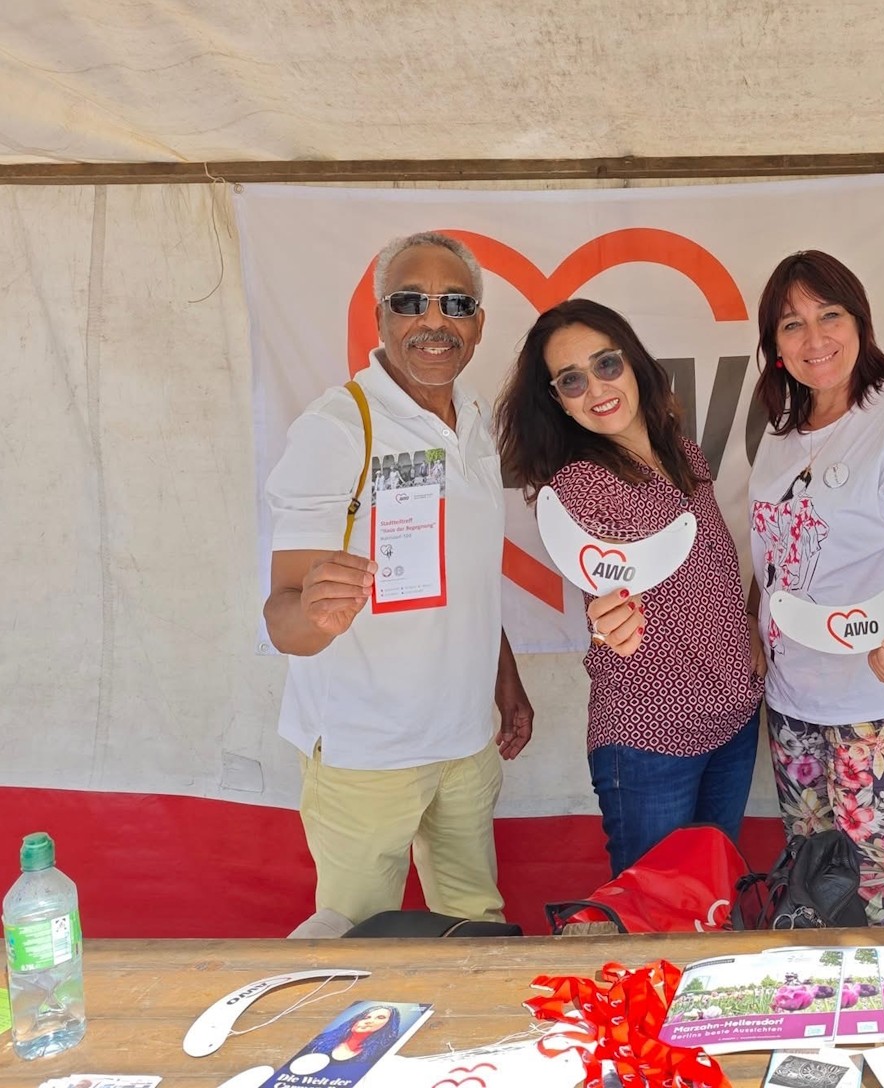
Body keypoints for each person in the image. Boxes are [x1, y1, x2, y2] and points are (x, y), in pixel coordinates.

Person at [263, 231, 533, 926]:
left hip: (465, 740)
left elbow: (471, 573)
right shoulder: (336, 429)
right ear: (380, 317)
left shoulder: (476, 416)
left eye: (456, 304)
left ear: (479, 323)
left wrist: (503, 678)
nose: (434, 321)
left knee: (476, 925)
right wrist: (315, 614)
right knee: (355, 939)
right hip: (367, 751)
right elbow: (282, 617)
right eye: (411, 302)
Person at [497, 300, 762, 877]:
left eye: (606, 364)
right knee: (653, 910)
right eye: (571, 380)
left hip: (734, 719)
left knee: (715, 893)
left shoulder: (684, 454)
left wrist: (746, 630)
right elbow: (606, 587)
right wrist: (608, 622)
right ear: (558, 401)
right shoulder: (579, 486)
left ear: (634, 362)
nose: (596, 388)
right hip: (651, 736)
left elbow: (713, 571)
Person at [748, 250, 884, 926]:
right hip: (794, 703)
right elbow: (776, 558)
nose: (814, 338)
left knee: (878, 901)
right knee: (811, 895)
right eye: (792, 324)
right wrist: (755, 635)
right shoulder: (782, 436)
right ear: (774, 345)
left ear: (861, 324)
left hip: (881, 708)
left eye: (830, 315)